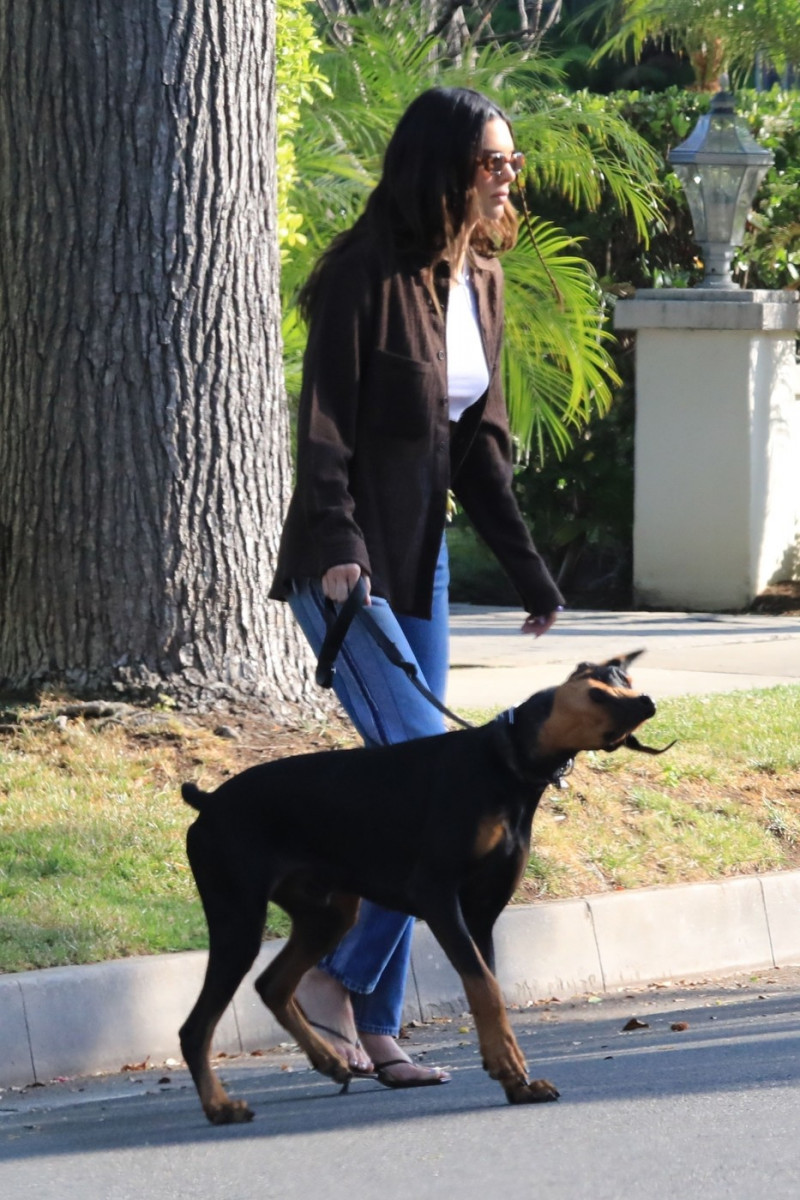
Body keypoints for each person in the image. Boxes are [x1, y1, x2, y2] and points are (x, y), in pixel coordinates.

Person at [269, 86, 565, 1088]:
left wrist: (527, 570)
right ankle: (331, 980)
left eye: (510, 164)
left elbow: (479, 449)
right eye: (491, 162)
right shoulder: (360, 277)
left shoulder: (477, 281)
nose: (505, 177)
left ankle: (375, 1020)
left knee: (423, 785)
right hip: (345, 564)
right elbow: (323, 433)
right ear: (439, 167)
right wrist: (338, 541)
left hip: (420, 565)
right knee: (427, 790)